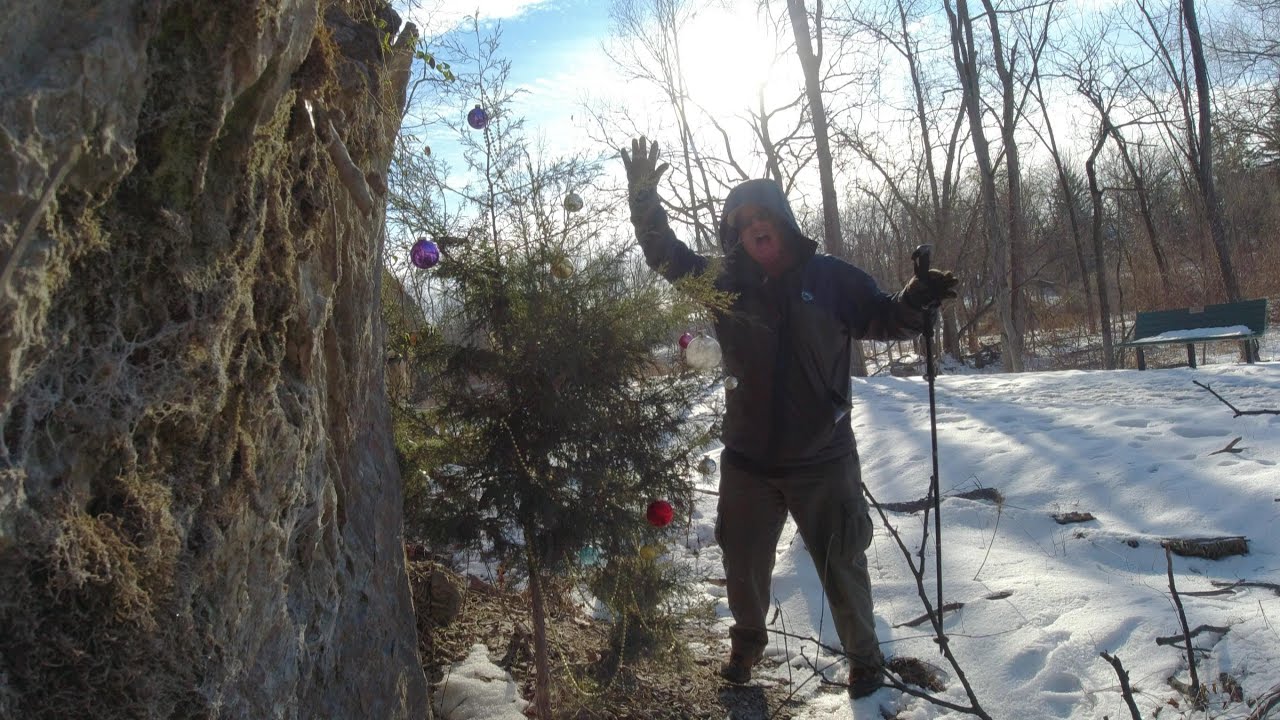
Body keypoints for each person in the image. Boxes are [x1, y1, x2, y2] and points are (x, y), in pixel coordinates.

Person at [620, 137, 958, 699]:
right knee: (742, 566)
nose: (753, 225)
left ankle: (865, 661)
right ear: (734, 231)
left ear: (781, 220)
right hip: (748, 461)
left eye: (762, 215)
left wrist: (916, 300)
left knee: (841, 564)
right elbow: (666, 257)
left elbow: (885, 319)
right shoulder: (723, 282)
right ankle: (746, 648)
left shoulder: (831, 278)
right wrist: (643, 202)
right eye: (741, 219)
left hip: (821, 458)